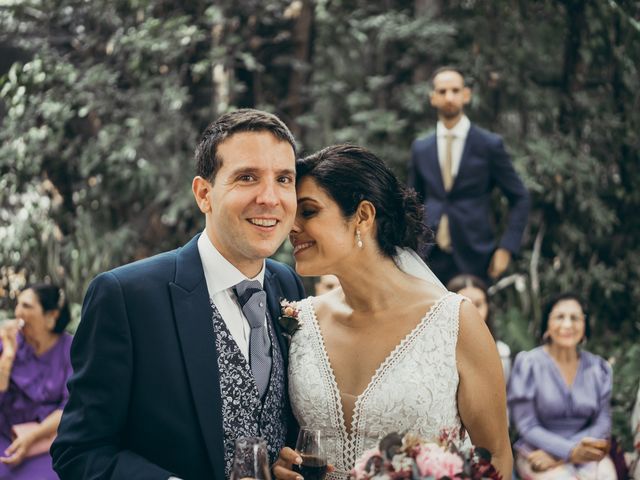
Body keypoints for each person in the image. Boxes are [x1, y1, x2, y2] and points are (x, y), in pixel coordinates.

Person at [51, 109, 306, 480]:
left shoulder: (287, 285)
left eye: (284, 179)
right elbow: (79, 451)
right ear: (204, 194)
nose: (270, 197)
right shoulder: (126, 297)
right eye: (247, 177)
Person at [274, 145, 512, 479]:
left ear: (363, 216)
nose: (291, 227)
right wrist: (284, 465)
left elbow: (496, 455)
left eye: (309, 212)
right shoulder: (299, 321)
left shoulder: (454, 321)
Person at [407, 66, 530, 285]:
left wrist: (506, 248)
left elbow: (520, 197)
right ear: (432, 98)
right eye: (442, 92)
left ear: (466, 95)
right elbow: (412, 202)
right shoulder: (421, 148)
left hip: (476, 254)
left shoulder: (489, 145)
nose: (449, 97)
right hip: (429, 257)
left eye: (455, 90)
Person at [508, 293, 616, 479]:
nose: (567, 325)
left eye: (575, 318)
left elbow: (603, 421)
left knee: (606, 475)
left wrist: (571, 453)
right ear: (547, 326)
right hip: (536, 451)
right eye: (560, 317)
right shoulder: (528, 364)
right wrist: (569, 451)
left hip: (586, 451)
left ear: (584, 326)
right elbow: (527, 425)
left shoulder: (599, 368)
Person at [0, 283, 72, 480]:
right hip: (5, 434)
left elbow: (70, 405)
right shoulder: (8, 342)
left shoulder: (70, 349)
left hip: (48, 440)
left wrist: (32, 436)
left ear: (51, 316)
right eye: (18, 305)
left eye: (27, 306)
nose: (17, 312)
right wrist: (7, 357)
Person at [447, 274, 511, 380]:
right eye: (464, 305)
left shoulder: (502, 352)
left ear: (487, 306)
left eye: (478, 304)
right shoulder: (437, 350)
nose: (473, 312)